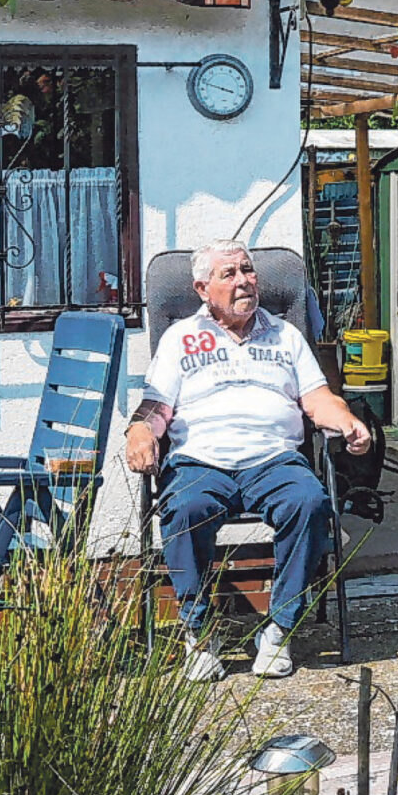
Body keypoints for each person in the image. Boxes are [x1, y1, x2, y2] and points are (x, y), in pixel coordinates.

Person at [126, 241, 372, 681]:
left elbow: (317, 398)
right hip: (200, 460)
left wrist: (348, 421)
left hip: (274, 458)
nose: (243, 281)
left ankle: (279, 628)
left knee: (310, 503)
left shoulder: (285, 335)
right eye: (229, 274)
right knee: (184, 509)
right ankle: (199, 632)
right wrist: (140, 431)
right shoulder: (180, 338)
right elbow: (156, 406)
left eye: (248, 271)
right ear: (203, 288)